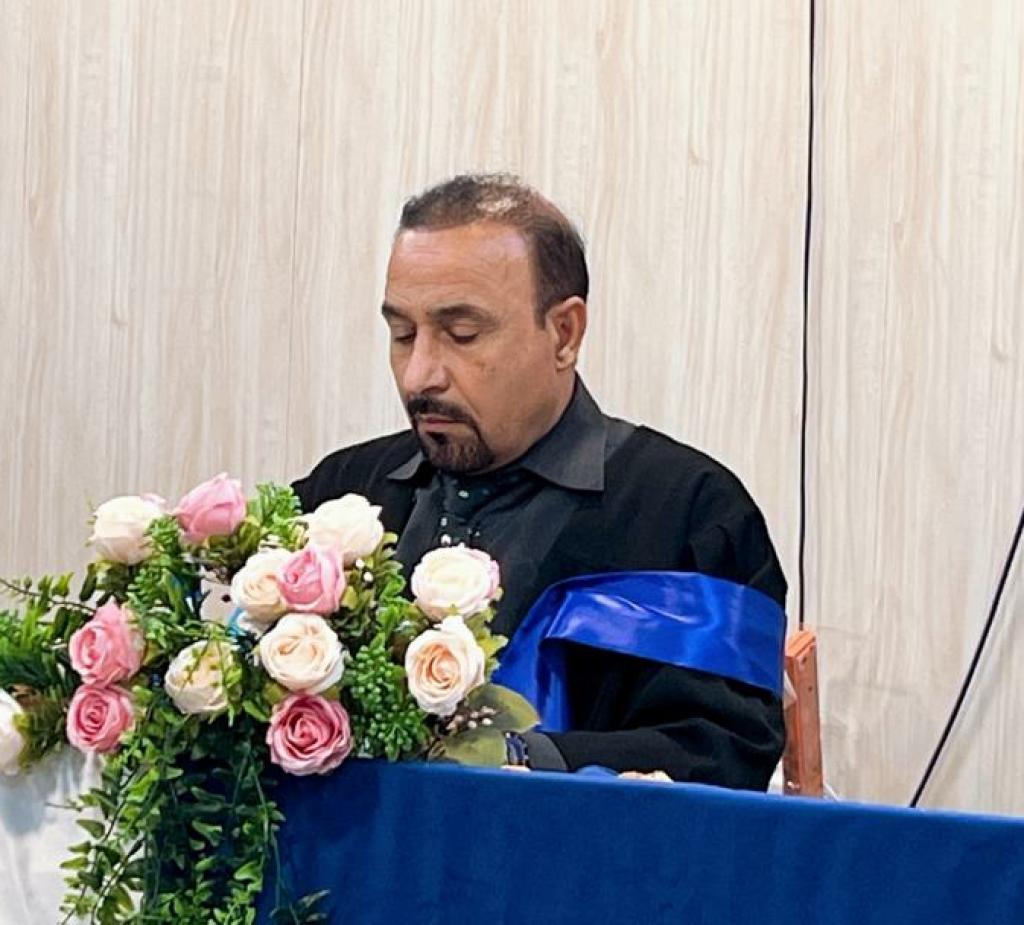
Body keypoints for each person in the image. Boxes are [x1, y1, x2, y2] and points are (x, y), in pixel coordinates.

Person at [292, 174, 787, 789]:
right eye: (402, 334)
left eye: (462, 335)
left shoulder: (688, 512)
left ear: (564, 334)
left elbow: (720, 752)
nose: (420, 375)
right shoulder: (345, 493)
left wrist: (515, 762)